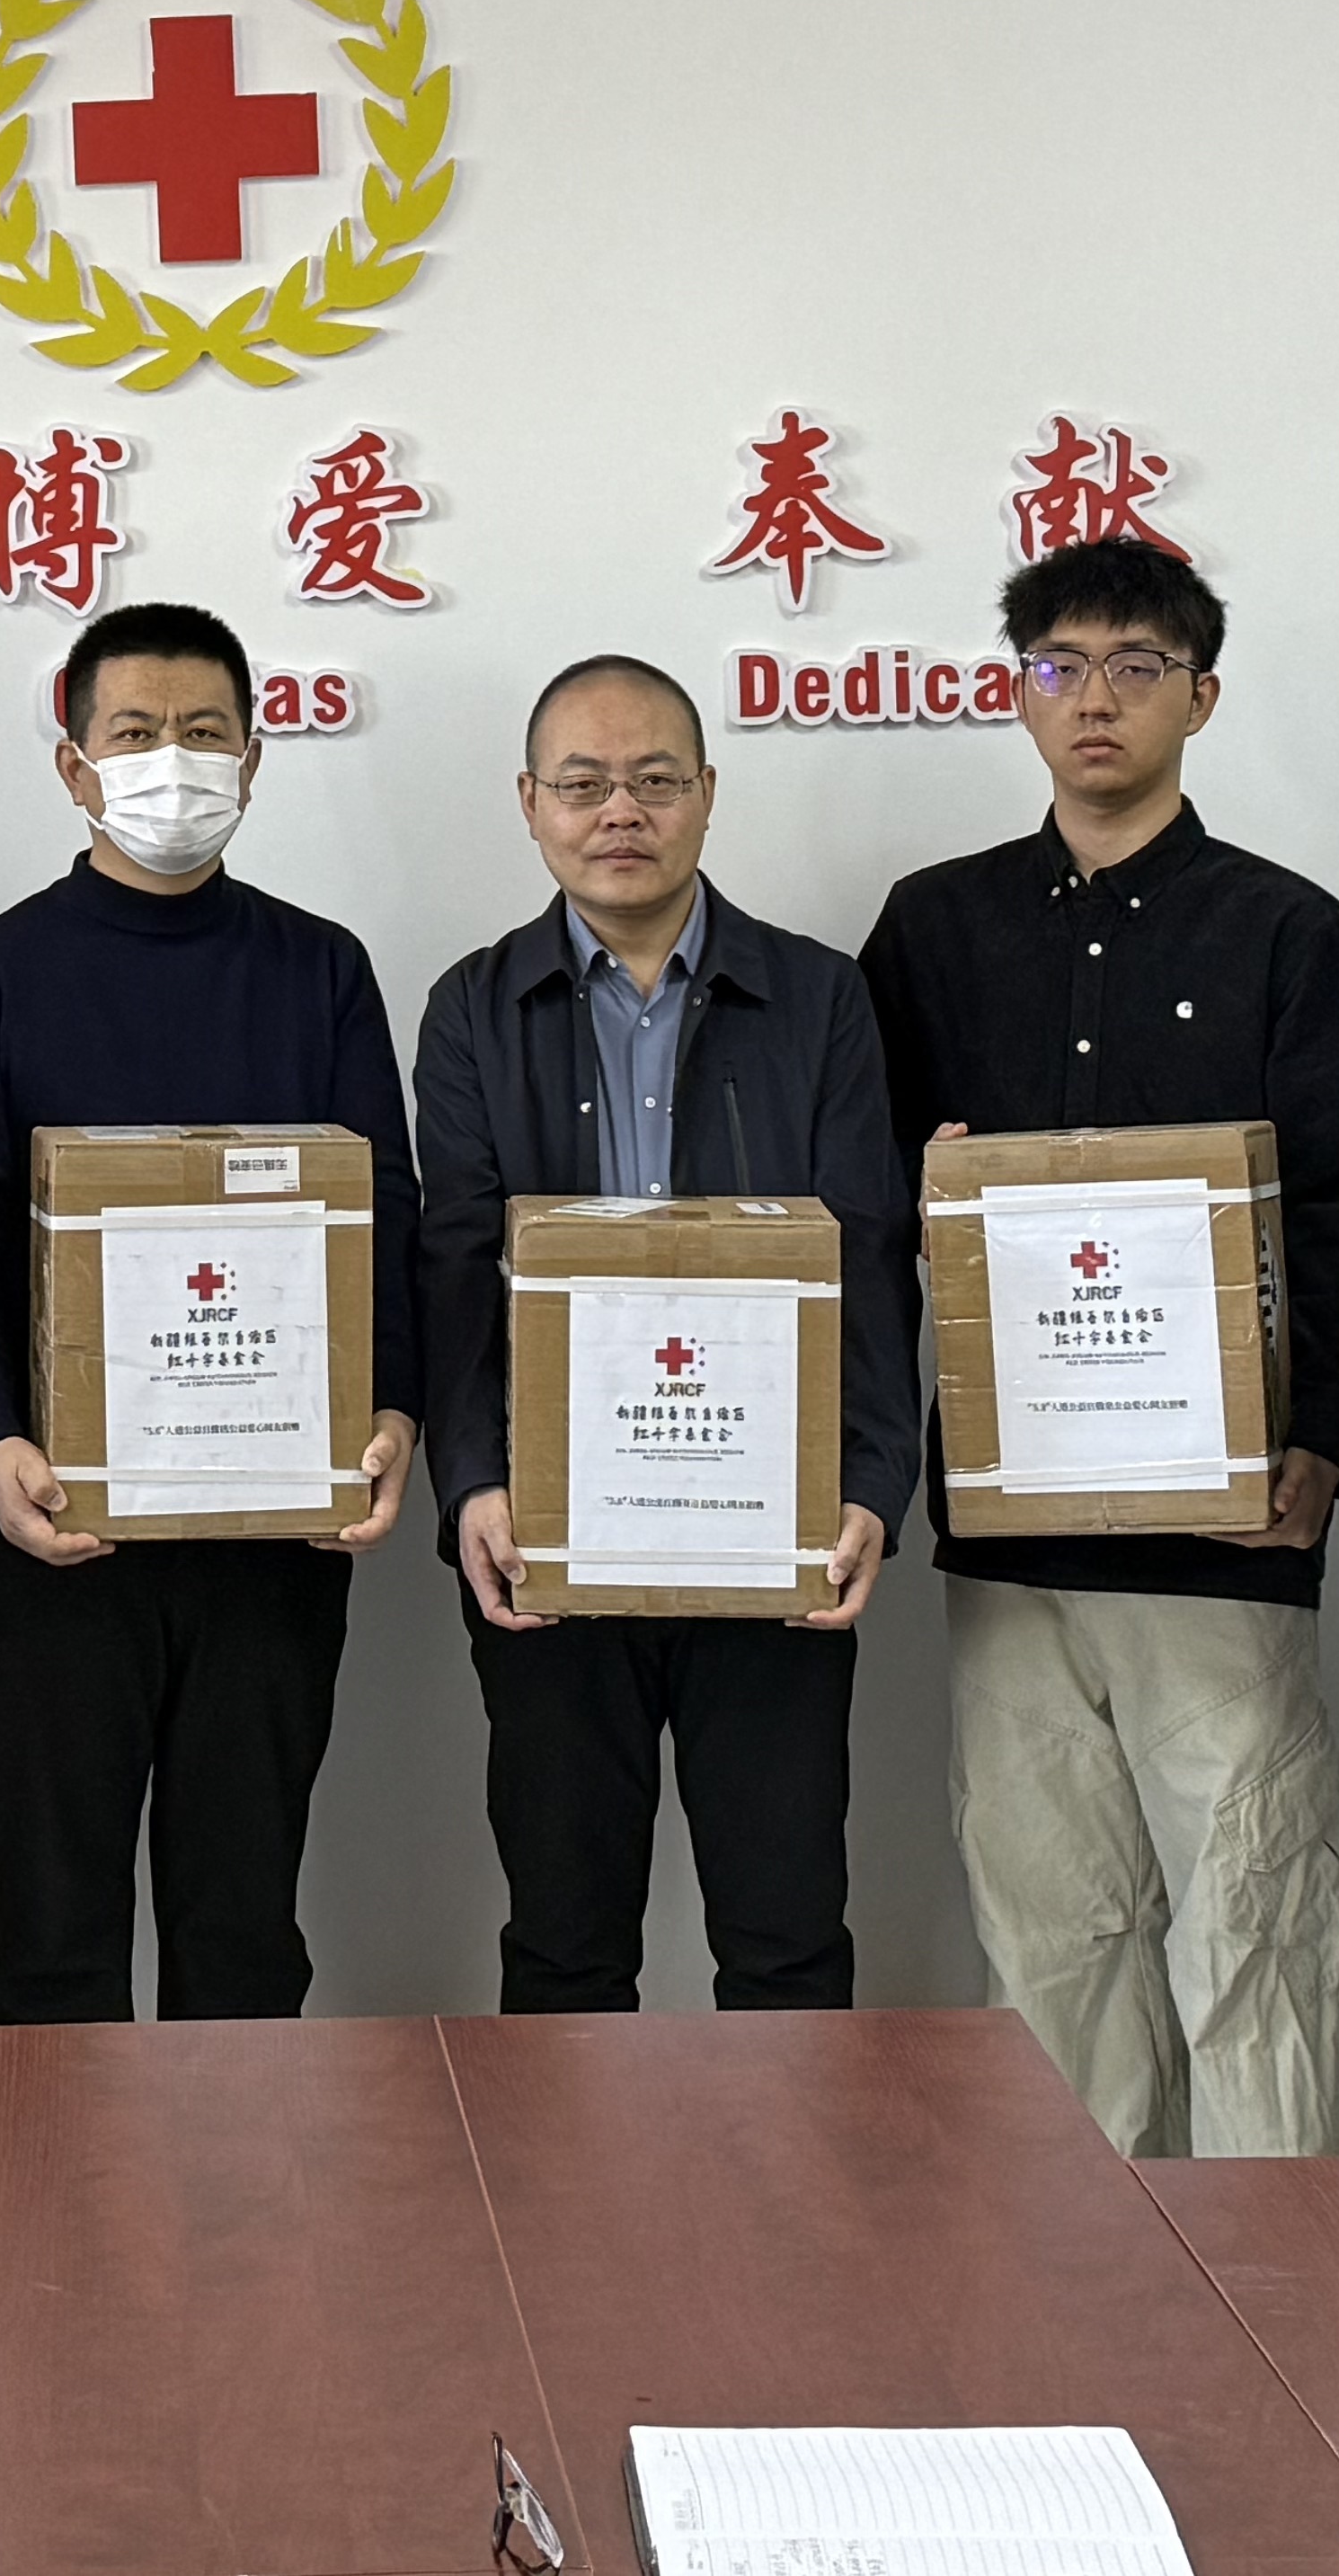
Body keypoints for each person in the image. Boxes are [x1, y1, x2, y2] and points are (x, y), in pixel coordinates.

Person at [858, 537, 1339, 2155]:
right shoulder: (932, 930)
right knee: (1050, 1936)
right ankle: (1089, 2274)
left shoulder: (1290, 931)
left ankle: (1283, 2273)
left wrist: (1325, 1448)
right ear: (1017, 695)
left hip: (1224, 1537)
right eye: (1060, 666)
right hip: (1009, 1538)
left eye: (1138, 667)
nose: (1096, 699)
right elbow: (865, 1212)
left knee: (1256, 1925)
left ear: (1200, 698)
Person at [0, 600, 423, 2021]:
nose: (172, 761)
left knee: (243, 1931)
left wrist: (391, 1410)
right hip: (49, 1530)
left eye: (204, 733)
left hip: (270, 1540)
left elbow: (383, 1213)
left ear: (252, 760)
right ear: (73, 764)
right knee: (52, 1938)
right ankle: (54, 2177)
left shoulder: (321, 969)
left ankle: (238, 2178)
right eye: (135, 733)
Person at [413, 654, 916, 2010]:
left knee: (787, 1932)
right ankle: (566, 2169)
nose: (620, 811)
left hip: (773, 1526)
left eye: (654, 780)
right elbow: (453, 1264)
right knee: (565, 1940)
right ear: (531, 803)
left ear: (706, 794)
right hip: (552, 1536)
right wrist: (475, 1484)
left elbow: (869, 1253)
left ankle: (792, 2162)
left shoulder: (820, 998)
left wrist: (871, 1485)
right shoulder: (473, 1006)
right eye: (583, 784)